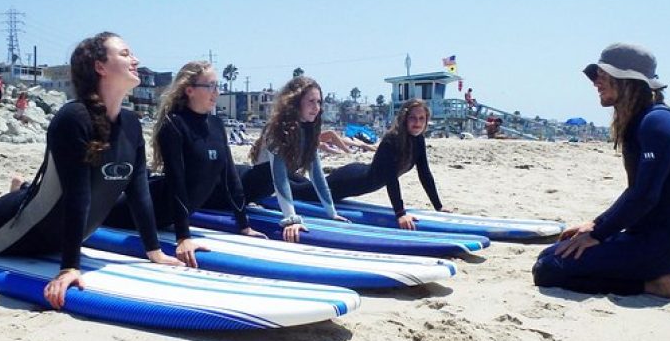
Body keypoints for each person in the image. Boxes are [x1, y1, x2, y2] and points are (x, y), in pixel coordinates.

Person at [0, 32, 179, 309]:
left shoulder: (131, 123)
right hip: (15, 235)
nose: (135, 59)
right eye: (125, 54)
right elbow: (78, 195)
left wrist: (154, 251)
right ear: (100, 67)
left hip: (51, 233)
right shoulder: (73, 119)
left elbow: (139, 193)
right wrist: (69, 268)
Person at [532, 43, 670, 305]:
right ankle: (649, 280)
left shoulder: (658, 123)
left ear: (629, 81)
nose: (595, 83)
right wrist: (596, 225)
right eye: (595, 75)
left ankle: (652, 284)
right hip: (641, 238)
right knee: (548, 256)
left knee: (548, 270)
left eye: (602, 75)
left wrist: (598, 234)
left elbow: (645, 196)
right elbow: (636, 190)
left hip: (662, 248)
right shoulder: (643, 121)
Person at [103, 60, 264, 267]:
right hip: (145, 209)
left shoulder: (216, 125)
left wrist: (244, 226)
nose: (217, 92)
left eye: (218, 86)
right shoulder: (174, 123)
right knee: (100, 214)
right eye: (210, 86)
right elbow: (176, 183)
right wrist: (183, 237)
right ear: (190, 90)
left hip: (168, 218)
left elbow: (230, 178)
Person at [291, 98, 449, 231]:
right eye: (413, 118)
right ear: (405, 119)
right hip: (350, 181)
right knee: (302, 193)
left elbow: (424, 173)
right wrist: (400, 213)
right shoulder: (392, 140)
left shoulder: (418, 140)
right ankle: (275, 180)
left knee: (309, 187)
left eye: (422, 118)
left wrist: (438, 206)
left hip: (360, 176)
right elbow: (391, 178)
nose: (417, 123)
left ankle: (287, 176)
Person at [242, 76, 347, 242]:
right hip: (241, 188)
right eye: (311, 101)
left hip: (256, 194)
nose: (316, 107)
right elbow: (279, 178)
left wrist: (332, 213)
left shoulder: (308, 131)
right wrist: (291, 219)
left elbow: (317, 176)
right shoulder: (277, 130)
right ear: (296, 102)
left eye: (319, 102)